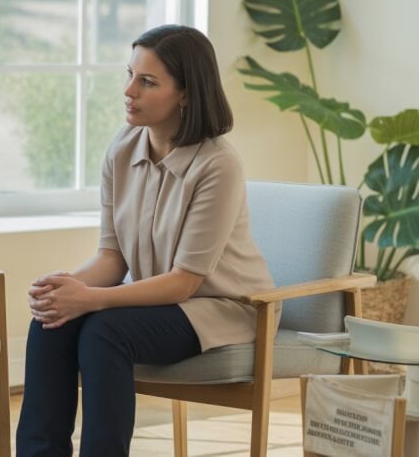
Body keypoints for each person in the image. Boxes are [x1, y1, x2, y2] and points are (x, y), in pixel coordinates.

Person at [15, 24, 278, 456]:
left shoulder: (218, 165)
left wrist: (91, 299)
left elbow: (185, 282)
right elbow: (112, 258)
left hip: (222, 309)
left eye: (148, 82)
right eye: (130, 75)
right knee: (51, 320)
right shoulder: (121, 149)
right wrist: (64, 288)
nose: (129, 90)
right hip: (160, 301)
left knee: (105, 330)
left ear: (187, 94)